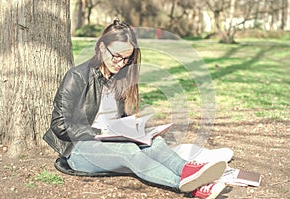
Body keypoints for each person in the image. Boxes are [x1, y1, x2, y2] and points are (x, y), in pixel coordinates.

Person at [43, 19, 227, 198]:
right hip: (79, 150)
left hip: (112, 141)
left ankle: (188, 171)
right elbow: (59, 124)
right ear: (101, 47)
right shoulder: (77, 76)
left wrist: (137, 129)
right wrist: (98, 132)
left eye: (127, 58)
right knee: (129, 151)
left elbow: (121, 119)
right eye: (116, 56)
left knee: (156, 144)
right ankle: (189, 187)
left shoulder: (121, 78)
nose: (121, 63)